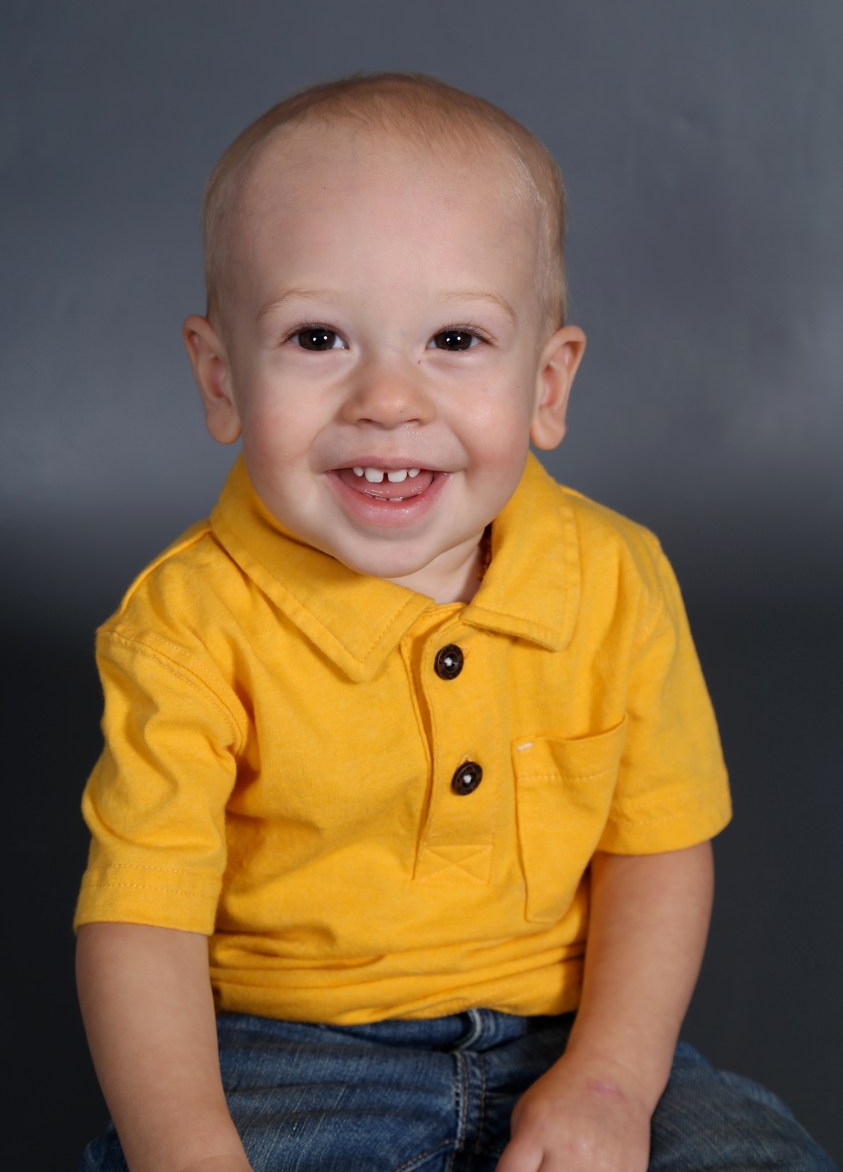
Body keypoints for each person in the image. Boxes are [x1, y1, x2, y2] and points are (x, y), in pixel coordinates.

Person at [75, 73, 836, 1172]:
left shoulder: (614, 577)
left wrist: (612, 1082)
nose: (389, 399)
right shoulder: (189, 623)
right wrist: (189, 1146)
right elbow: (141, 923)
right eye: (319, 337)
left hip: (570, 1036)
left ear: (548, 385)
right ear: (220, 378)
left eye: (456, 339)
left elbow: (657, 848)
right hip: (290, 1052)